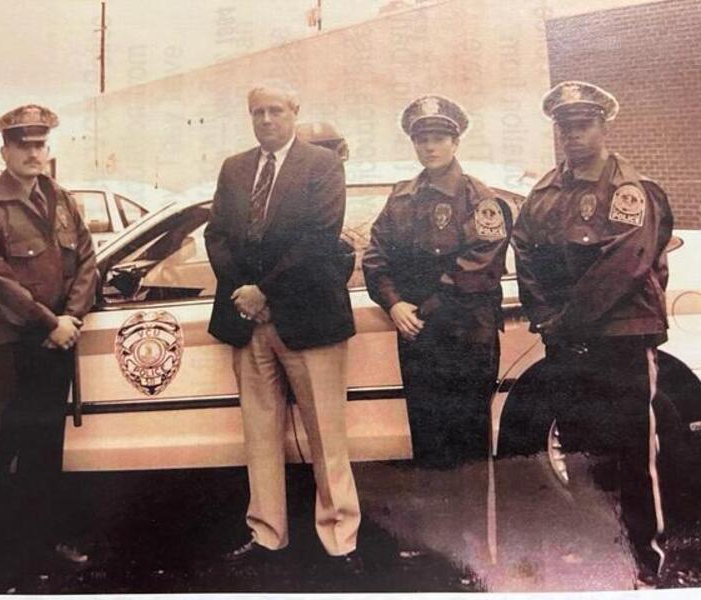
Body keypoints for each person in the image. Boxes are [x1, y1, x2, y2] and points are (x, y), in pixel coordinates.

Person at [511, 81, 673, 586]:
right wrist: (543, 315)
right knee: (580, 450)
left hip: (620, 335)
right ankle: (594, 549)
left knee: (631, 452)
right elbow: (526, 254)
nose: (573, 135)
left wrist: (565, 321)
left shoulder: (629, 188)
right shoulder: (544, 192)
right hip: (565, 337)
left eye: (583, 124)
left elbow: (624, 266)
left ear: (604, 126)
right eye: (565, 126)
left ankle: (643, 562)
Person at [204, 81, 361, 571]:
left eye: (275, 110)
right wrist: (244, 295)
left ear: (295, 111)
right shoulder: (234, 168)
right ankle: (268, 534)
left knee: (326, 436)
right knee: (259, 433)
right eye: (257, 112)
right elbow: (217, 236)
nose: (266, 119)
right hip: (247, 321)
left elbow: (318, 240)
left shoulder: (322, 165)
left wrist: (265, 291)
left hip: (309, 319)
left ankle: (340, 539)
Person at [0, 105, 98, 585]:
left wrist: (72, 317)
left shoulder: (63, 200)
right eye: (24, 145)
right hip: (7, 350)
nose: (35, 152)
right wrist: (49, 322)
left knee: (43, 452)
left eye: (41, 144)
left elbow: (88, 263)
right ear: (5, 151)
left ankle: (41, 550)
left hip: (54, 347)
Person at [362, 95, 512, 469]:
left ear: (456, 142)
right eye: (421, 139)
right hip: (417, 334)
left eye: (439, 138)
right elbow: (376, 256)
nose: (429, 146)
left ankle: (474, 528)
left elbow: (479, 262)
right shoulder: (401, 197)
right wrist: (393, 303)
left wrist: (424, 307)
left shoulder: (478, 197)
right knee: (427, 440)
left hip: (466, 333)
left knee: (468, 443)